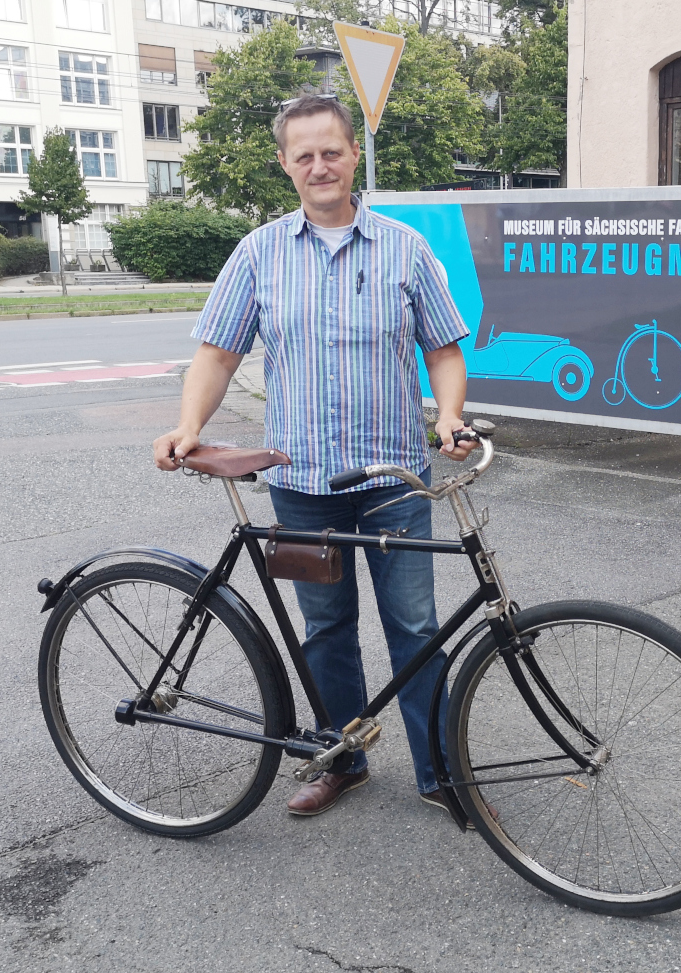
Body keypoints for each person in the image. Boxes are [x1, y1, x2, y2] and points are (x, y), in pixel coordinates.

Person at [153, 93, 477, 818]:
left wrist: (448, 415)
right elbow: (216, 353)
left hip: (394, 477)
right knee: (326, 628)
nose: (319, 165)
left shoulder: (405, 248)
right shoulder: (260, 252)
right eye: (304, 155)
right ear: (285, 165)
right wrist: (186, 423)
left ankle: (439, 770)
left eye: (331, 150)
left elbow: (444, 350)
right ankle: (341, 756)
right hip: (300, 481)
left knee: (416, 629)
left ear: (352, 154)